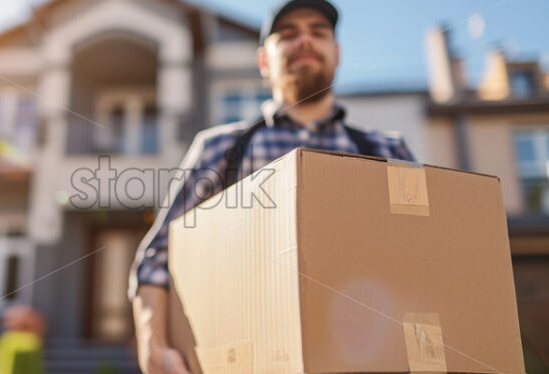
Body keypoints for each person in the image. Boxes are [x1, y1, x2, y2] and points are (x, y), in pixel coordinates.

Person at [127, 1, 416, 373]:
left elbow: (422, 258)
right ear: (264, 62)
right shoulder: (220, 148)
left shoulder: (388, 151)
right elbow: (158, 255)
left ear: (337, 52)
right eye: (289, 34)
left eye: (318, 32)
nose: (305, 41)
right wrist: (153, 347)